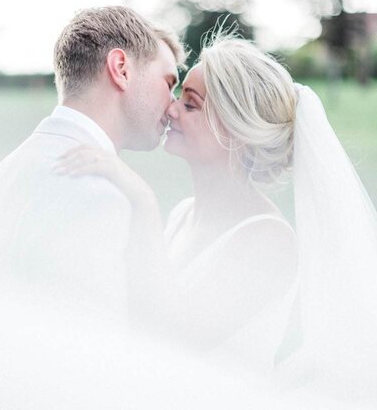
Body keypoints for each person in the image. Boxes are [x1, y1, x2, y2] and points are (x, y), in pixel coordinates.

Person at [57, 30, 377, 402]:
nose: (171, 109)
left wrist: (142, 202)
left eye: (191, 104)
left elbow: (170, 344)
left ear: (237, 131)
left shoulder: (268, 241)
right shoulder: (181, 214)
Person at [0, 5, 185, 323]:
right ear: (121, 69)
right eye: (169, 83)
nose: (173, 105)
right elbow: (93, 353)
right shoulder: (96, 192)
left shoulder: (8, 169)